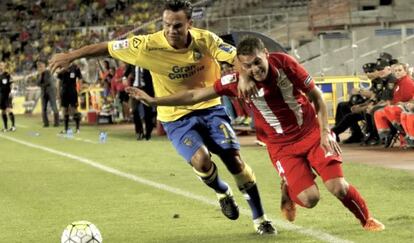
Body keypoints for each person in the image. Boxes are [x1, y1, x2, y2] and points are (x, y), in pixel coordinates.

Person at [48, 0, 275, 235]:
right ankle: (222, 191)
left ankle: (260, 219)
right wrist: (71, 55)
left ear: (189, 24)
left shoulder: (205, 39)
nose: (170, 31)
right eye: (166, 25)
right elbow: (109, 47)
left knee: (235, 161)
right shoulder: (147, 45)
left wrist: (245, 76)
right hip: (175, 116)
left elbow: (235, 56)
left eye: (177, 26)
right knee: (201, 160)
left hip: (210, 108)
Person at [128, 36, 385, 232]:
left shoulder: (285, 64)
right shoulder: (234, 82)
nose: (254, 69)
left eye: (258, 62)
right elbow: (195, 95)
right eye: (247, 66)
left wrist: (325, 131)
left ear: (266, 54)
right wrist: (154, 101)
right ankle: (289, 186)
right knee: (310, 199)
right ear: (241, 65)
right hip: (280, 146)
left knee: (338, 188)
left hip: (310, 133)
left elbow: (316, 96)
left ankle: (367, 220)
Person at [57, 62, 82, 133]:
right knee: (65, 110)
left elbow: (80, 78)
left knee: (74, 109)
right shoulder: (61, 68)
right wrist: (58, 93)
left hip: (72, 91)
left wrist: (80, 89)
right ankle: (66, 129)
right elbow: (58, 81)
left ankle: (78, 129)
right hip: (64, 91)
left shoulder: (75, 67)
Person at [37, 60, 59, 128]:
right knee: (43, 108)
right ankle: (45, 123)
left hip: (50, 91)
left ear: (44, 66)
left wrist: (41, 84)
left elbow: (47, 82)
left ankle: (56, 123)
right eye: (39, 67)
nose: (40, 68)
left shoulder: (48, 72)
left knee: (53, 106)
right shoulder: (39, 74)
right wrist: (40, 75)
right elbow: (37, 83)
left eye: (41, 66)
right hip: (43, 91)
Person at [0, 61, 16, 132]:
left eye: (2, 65)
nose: (1, 66)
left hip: (7, 95)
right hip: (1, 96)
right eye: (0, 65)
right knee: (3, 111)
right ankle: (5, 127)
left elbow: (12, 83)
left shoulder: (7, 74)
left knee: (9, 109)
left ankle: (13, 126)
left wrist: (12, 90)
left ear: (4, 66)